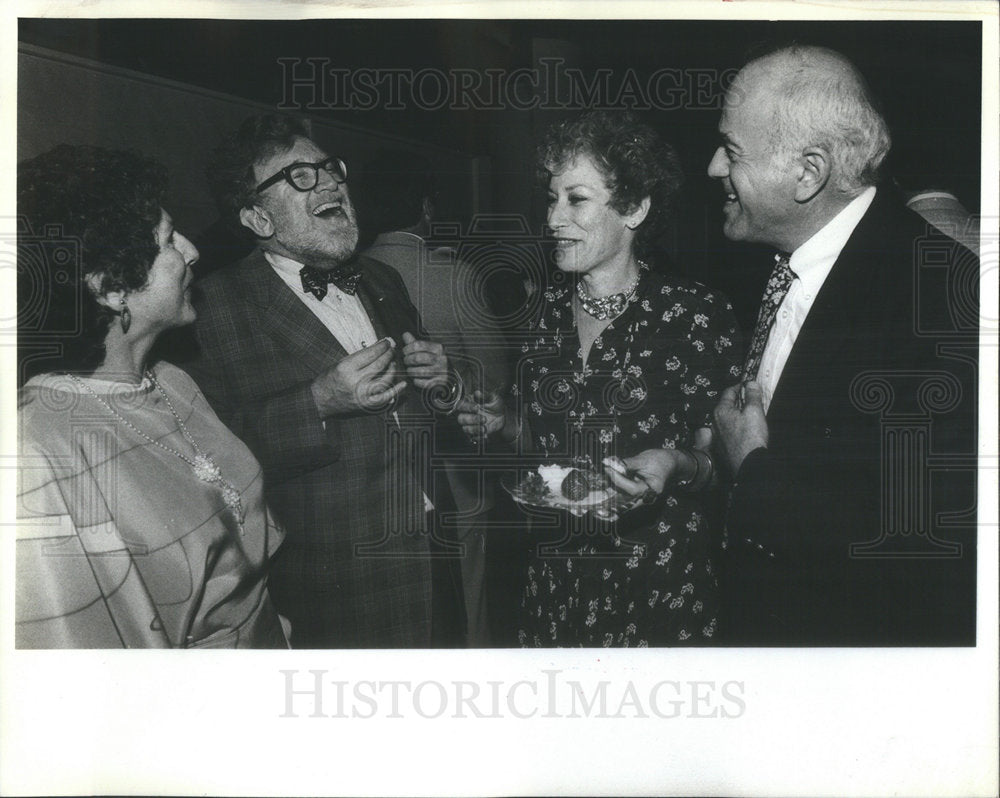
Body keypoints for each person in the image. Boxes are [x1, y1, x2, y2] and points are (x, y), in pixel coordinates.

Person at [707, 45, 978, 645]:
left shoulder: (940, 299)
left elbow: (916, 546)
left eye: (731, 150)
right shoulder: (790, 261)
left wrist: (751, 468)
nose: (712, 168)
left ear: (809, 173)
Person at [459, 111, 742, 647]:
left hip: (659, 580)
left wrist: (675, 463)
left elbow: (726, 462)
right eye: (551, 199)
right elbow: (540, 446)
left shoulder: (695, 314)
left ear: (634, 208)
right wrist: (504, 423)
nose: (553, 219)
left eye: (577, 199)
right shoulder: (543, 314)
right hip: (555, 580)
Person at [186, 115, 465, 648]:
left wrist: (443, 383)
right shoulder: (211, 307)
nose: (331, 183)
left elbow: (423, 404)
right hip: (335, 584)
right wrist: (317, 402)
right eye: (301, 176)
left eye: (330, 168)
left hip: (435, 557)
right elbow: (205, 464)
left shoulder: (382, 279)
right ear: (258, 218)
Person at [15, 145, 288, 649]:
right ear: (110, 289)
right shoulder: (35, 448)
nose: (192, 251)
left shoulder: (174, 381)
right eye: (168, 240)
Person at [360, 150, 510, 646]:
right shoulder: (452, 274)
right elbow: (493, 379)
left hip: (377, 480)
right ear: (426, 208)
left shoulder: (350, 275)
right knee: (468, 600)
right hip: (453, 469)